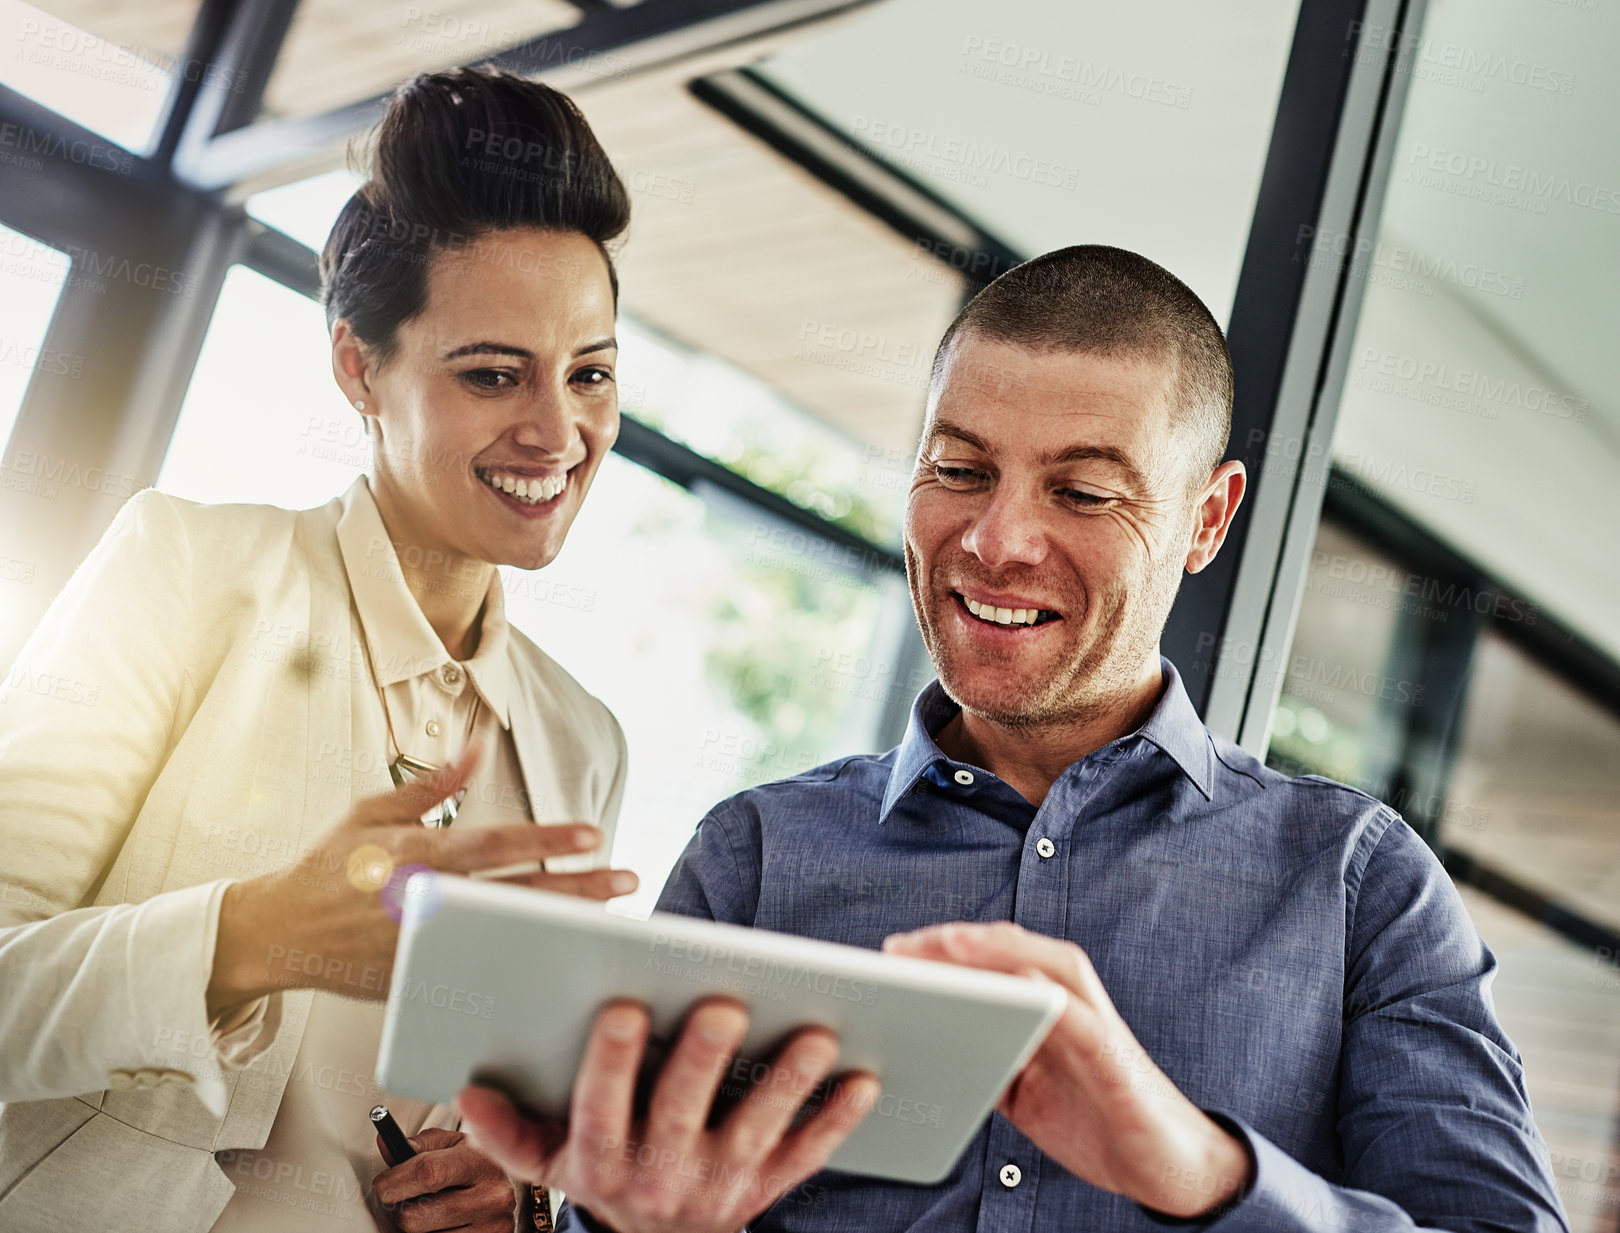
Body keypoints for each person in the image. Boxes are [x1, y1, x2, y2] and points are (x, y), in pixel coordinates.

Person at [455, 246, 1571, 1233]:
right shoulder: (755, 857)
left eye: (1083, 492)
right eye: (960, 470)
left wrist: (1200, 1171)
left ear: (1208, 521)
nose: (995, 542)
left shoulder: (1352, 885)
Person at [0, 67, 642, 1233]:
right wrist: (248, 939)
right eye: (493, 373)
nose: (560, 432)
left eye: (590, 373)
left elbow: (522, 1105)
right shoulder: (186, 572)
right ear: (358, 365)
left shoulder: (577, 741)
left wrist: (521, 1189)